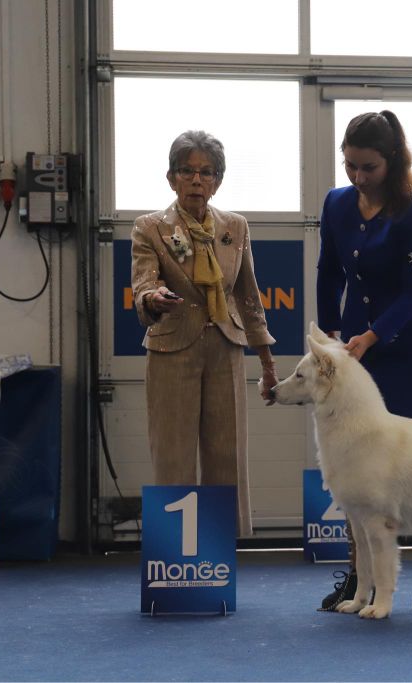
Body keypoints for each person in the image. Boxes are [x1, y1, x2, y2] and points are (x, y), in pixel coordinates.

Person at [315, 110, 412, 611]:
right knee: (358, 467)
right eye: (349, 165)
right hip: (357, 347)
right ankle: (359, 578)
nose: (356, 176)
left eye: (367, 167)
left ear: (392, 162)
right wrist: (329, 333)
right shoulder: (336, 205)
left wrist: (373, 335)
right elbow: (328, 271)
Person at [131, 129, 279, 537]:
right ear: (171, 178)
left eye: (206, 172)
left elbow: (249, 299)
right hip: (171, 347)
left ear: (218, 180)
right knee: (172, 455)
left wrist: (267, 366)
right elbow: (143, 283)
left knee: (227, 456)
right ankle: (174, 554)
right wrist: (152, 298)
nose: (196, 180)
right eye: (187, 171)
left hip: (226, 348)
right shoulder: (149, 228)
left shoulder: (236, 228)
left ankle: (218, 557)